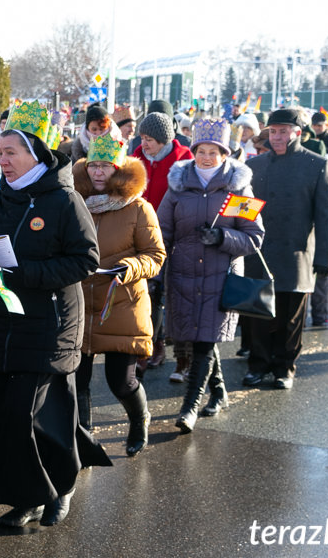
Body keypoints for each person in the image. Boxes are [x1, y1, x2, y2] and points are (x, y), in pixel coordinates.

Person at [0, 101, 110, 529]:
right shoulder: (0, 201)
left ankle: (59, 487)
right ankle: (26, 497)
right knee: (1, 416)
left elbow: (85, 260)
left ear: (36, 153)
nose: (2, 160)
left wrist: (26, 274)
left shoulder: (64, 200)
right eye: (0, 152)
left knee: (33, 416)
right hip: (7, 322)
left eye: (11, 152)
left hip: (51, 323)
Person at [158, 119, 263, 431]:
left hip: (221, 277)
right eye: (201, 151)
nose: (206, 157)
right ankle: (218, 392)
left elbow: (254, 237)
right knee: (197, 336)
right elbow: (162, 232)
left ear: (224, 153)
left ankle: (189, 407)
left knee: (204, 342)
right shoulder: (177, 186)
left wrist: (222, 238)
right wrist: (155, 268)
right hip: (183, 275)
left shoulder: (238, 187)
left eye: (213, 152)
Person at [72, 132, 165, 456]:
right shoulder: (75, 202)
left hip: (122, 303)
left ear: (120, 168)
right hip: (80, 305)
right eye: (94, 165)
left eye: (106, 166)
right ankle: (83, 441)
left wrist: (129, 267)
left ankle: (140, 420)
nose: (98, 172)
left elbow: (155, 255)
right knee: (77, 380)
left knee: (120, 381)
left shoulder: (139, 208)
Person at [242, 108, 328, 389]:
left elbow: (327, 216)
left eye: (284, 131)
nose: (278, 137)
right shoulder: (255, 166)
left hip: (296, 253)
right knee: (258, 313)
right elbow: (244, 210)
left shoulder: (317, 165)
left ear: (298, 132)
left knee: (290, 317)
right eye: (273, 131)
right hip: (259, 252)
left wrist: (324, 258)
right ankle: (257, 364)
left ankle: (285, 367)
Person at [133, 111, 192, 378]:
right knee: (149, 294)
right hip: (141, 236)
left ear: (164, 139)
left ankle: (181, 354)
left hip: (174, 236)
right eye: (143, 138)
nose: (144, 144)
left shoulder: (183, 160)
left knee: (173, 295)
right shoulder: (136, 157)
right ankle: (152, 346)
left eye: (150, 139)